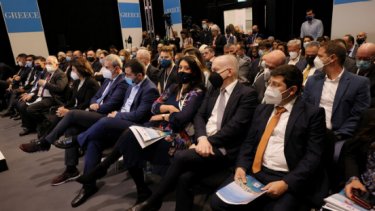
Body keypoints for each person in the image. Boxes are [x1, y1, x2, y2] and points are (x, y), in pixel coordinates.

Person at [127, 54, 258, 211]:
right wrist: (202, 138)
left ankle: (153, 201)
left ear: (229, 72)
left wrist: (207, 142)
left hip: (224, 148)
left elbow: (235, 127)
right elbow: (199, 116)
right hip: (203, 142)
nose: (212, 72)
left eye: (215, 70)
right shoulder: (214, 90)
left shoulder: (246, 94)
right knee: (184, 178)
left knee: (180, 156)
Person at [74, 55, 206, 207]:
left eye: (187, 68)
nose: (182, 71)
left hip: (178, 137)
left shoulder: (197, 92)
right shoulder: (173, 87)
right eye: (180, 67)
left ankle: (103, 169)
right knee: (129, 141)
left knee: (129, 134)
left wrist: (161, 114)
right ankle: (141, 190)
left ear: (195, 72)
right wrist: (167, 110)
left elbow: (181, 119)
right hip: (159, 129)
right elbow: (154, 106)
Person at [211, 64, 329, 211]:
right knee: (218, 202)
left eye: (276, 85)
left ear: (292, 90)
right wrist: (241, 166)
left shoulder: (312, 114)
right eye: (269, 83)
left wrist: (286, 183)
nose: (269, 88)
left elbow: (313, 156)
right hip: (256, 171)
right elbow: (249, 142)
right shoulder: (263, 108)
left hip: (286, 176)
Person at [53, 59, 159, 207]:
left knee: (104, 122)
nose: (126, 77)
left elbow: (138, 116)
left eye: (128, 75)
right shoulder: (132, 84)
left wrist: (117, 115)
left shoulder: (150, 89)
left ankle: (77, 139)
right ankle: (89, 186)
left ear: (140, 75)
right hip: (120, 123)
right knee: (94, 141)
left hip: (135, 126)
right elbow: (124, 106)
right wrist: (116, 114)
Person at [18, 54, 128, 186]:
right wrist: (94, 104)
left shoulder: (121, 82)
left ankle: (45, 142)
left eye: (106, 67)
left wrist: (97, 106)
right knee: (71, 129)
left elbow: (111, 104)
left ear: (116, 68)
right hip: (94, 112)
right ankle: (71, 169)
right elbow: (96, 97)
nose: (103, 70)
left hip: (105, 117)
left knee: (71, 114)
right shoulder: (108, 80)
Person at [303, 41, 371, 188]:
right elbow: (304, 107)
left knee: (328, 155)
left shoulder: (359, 82)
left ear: (332, 58)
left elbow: (358, 115)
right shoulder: (313, 80)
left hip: (338, 134)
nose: (316, 58)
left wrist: (338, 135)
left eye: (320, 56)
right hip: (312, 131)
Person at [19, 57, 100, 151]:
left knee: (60, 117)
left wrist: (69, 110)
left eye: (73, 70)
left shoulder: (91, 82)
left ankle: (43, 143)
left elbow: (86, 103)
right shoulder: (77, 82)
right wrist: (64, 107)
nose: (72, 72)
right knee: (60, 117)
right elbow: (73, 101)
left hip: (86, 112)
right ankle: (45, 143)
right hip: (76, 110)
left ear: (81, 69)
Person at [17, 56, 68, 136]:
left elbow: (59, 88)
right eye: (47, 63)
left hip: (52, 98)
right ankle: (30, 127)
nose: (47, 65)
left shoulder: (60, 74)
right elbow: (39, 86)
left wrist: (45, 84)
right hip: (41, 95)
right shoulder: (47, 73)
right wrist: (31, 93)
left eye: (50, 63)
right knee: (22, 104)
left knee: (31, 109)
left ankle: (46, 123)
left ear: (56, 64)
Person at [354, 43, 375, 107]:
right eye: (359, 58)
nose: (361, 61)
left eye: (366, 59)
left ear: (374, 59)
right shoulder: (350, 68)